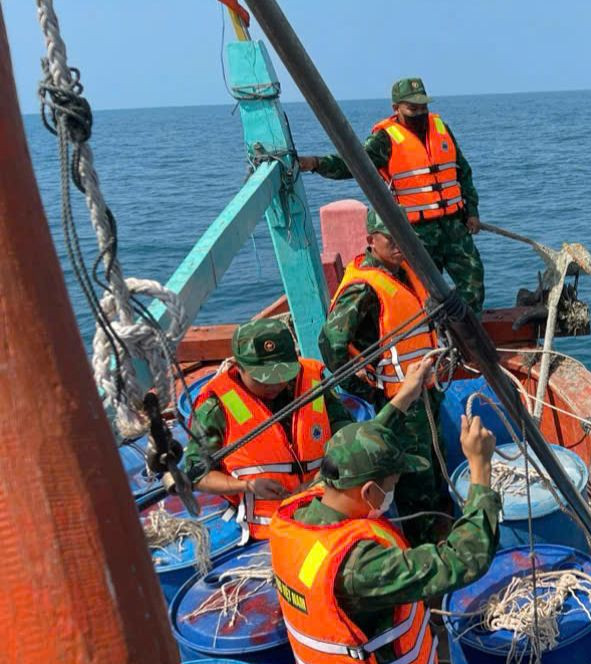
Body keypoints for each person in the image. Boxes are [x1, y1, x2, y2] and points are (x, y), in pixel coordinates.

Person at [267, 409, 500, 664]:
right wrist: (480, 468)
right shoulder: (359, 567)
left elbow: (354, 447)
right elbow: (464, 558)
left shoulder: (301, 511)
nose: (392, 493)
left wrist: (403, 399)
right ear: (368, 492)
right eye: (391, 485)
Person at [319, 208, 451, 545]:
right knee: (415, 474)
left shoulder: (406, 270)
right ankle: (425, 542)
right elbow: (331, 342)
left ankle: (443, 518)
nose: (397, 245)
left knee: (437, 461)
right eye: (389, 239)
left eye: (401, 237)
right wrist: (366, 387)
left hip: (426, 386)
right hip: (399, 399)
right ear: (370, 240)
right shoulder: (363, 287)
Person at [298, 77, 485, 312]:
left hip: (454, 226)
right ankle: (434, 341)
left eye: (423, 107)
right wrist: (315, 163)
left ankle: (471, 337)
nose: (420, 113)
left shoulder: (441, 128)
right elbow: (353, 163)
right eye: (412, 108)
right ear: (396, 108)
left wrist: (472, 211)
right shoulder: (384, 139)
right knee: (422, 295)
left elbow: (463, 172)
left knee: (473, 283)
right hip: (416, 233)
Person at [183, 317, 358, 539]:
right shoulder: (214, 407)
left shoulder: (312, 382)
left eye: (281, 376)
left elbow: (344, 428)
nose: (274, 385)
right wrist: (247, 486)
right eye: (263, 379)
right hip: (270, 529)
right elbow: (197, 475)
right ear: (239, 367)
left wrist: (324, 476)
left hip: (327, 507)